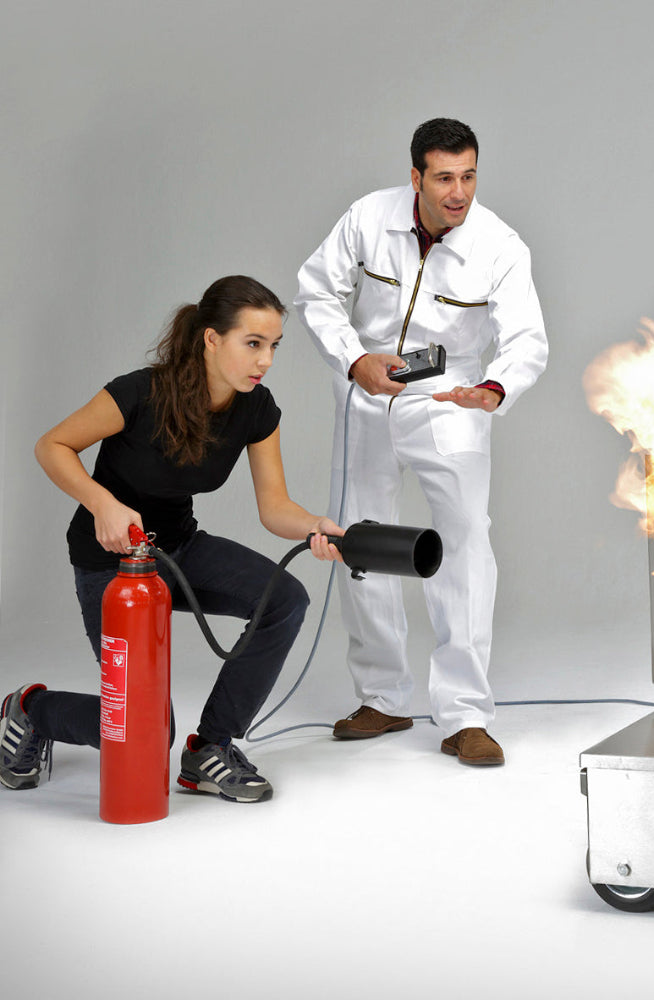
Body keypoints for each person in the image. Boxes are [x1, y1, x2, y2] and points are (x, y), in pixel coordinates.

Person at [0, 275, 343, 802]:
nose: (266, 360)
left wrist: (316, 527)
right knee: (144, 729)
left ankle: (212, 746)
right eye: (253, 343)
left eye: (274, 346)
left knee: (284, 599)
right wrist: (102, 503)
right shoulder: (141, 392)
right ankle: (31, 710)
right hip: (112, 563)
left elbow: (275, 507)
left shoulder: (256, 408)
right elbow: (53, 445)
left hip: (179, 549)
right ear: (212, 339)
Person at [295, 118, 547, 766]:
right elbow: (315, 290)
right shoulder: (368, 218)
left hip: (450, 395)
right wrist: (353, 358)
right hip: (366, 389)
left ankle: (466, 716)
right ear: (416, 177)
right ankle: (382, 697)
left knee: (465, 544)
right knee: (359, 539)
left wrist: (494, 387)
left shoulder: (499, 245)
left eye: (468, 176)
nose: (458, 192)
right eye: (443, 178)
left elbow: (526, 339)